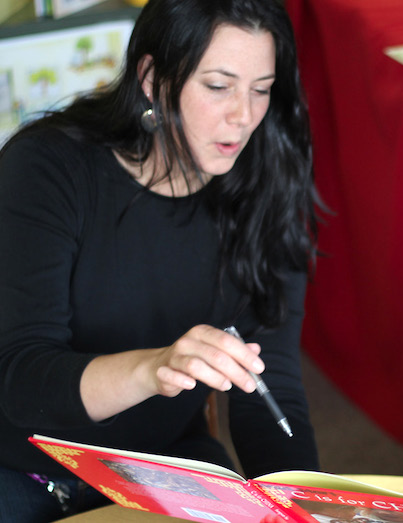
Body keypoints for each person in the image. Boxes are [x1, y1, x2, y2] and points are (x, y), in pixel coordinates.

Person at [0, 0, 321, 520]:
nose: (243, 115)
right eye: (218, 86)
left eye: (260, 89)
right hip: (20, 467)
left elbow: (270, 392)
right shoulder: (49, 168)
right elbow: (21, 379)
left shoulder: (268, 186)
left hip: (159, 465)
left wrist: (305, 507)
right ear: (152, 78)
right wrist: (154, 368)